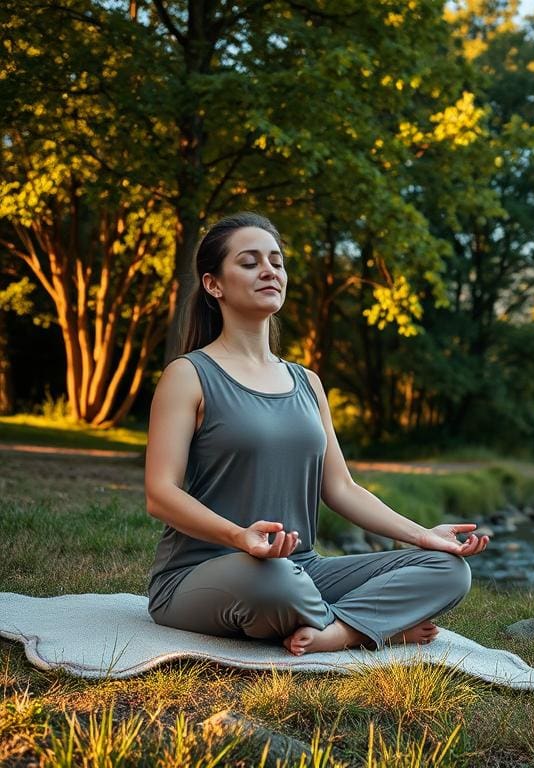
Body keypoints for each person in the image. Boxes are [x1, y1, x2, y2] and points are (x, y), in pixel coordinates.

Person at [145, 212, 488, 656]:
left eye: (276, 261)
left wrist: (422, 535)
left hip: (300, 569)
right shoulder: (188, 374)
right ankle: (375, 624)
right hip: (204, 571)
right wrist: (239, 537)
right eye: (249, 263)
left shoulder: (307, 382)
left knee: (448, 570)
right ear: (214, 285)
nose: (270, 270)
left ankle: (341, 632)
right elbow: (160, 493)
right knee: (273, 582)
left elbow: (342, 488)